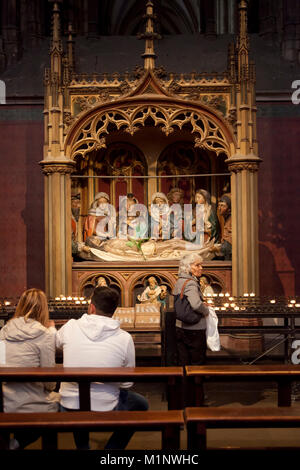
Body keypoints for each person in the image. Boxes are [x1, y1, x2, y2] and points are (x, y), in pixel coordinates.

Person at [56, 286, 148, 450]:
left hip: (69, 403)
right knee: (141, 404)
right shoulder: (124, 338)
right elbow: (127, 383)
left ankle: (83, 447)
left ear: (91, 307)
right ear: (114, 310)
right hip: (106, 405)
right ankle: (111, 450)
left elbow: (54, 344)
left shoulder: (70, 327)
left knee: (78, 399)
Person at [0, 288, 59, 449]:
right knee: (60, 404)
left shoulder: (4, 331)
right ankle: (18, 443)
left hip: (4, 400)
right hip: (31, 402)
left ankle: (13, 442)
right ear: (43, 309)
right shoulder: (44, 335)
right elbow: (49, 382)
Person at [173, 253, 209, 367]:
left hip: (180, 326)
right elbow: (196, 305)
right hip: (194, 328)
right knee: (197, 362)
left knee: (183, 360)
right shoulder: (191, 283)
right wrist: (206, 311)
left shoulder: (180, 281)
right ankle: (196, 384)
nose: (201, 268)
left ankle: (184, 384)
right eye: (197, 265)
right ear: (188, 267)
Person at [212, 194, 232, 260]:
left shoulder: (232, 220)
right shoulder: (225, 218)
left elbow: (230, 241)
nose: (219, 208)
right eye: (219, 205)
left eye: (223, 206)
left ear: (229, 209)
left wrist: (218, 248)